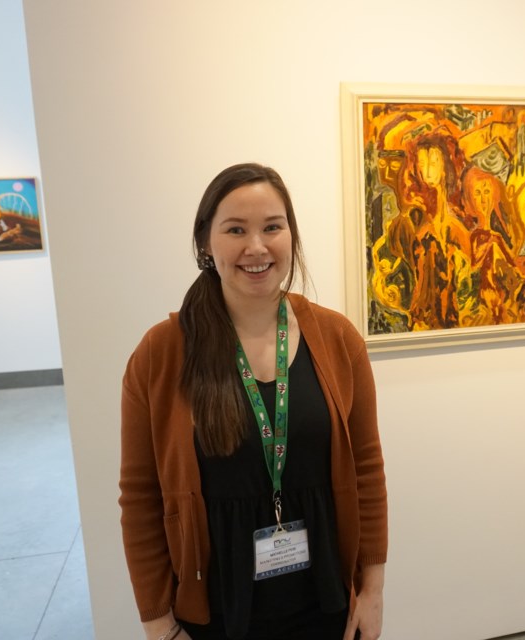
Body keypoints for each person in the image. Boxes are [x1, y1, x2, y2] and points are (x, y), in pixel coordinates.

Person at [119, 163, 387, 640]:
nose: (257, 247)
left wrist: (372, 590)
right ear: (205, 242)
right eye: (236, 230)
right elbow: (141, 498)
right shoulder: (161, 353)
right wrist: (157, 621)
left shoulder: (338, 338)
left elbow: (365, 467)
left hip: (325, 600)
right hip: (217, 611)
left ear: (291, 235)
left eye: (272, 227)